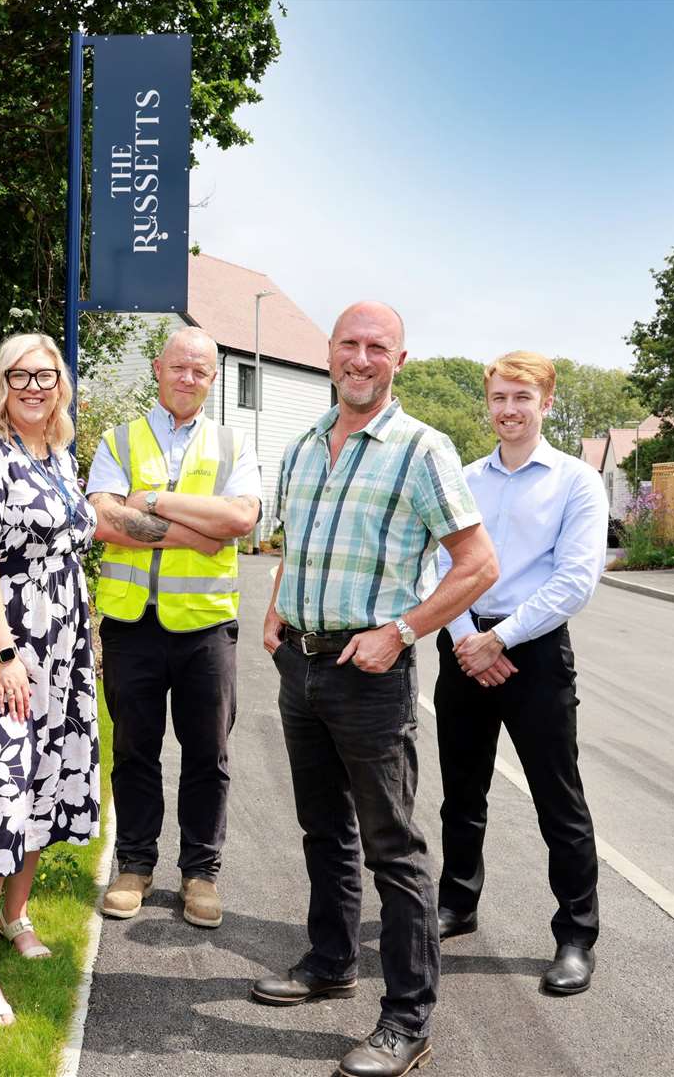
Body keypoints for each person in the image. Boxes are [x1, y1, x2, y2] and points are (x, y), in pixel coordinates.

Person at [251, 301, 498, 1077]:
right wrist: (274, 612)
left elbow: (476, 564)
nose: (360, 359)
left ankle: (406, 1020)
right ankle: (328, 961)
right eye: (349, 345)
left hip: (371, 674)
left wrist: (401, 630)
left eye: (376, 348)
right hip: (302, 664)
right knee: (322, 830)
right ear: (329, 352)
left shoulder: (421, 450)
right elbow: (296, 546)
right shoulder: (298, 447)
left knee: (393, 848)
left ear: (399, 359)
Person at [432, 351, 608, 996]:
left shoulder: (575, 482)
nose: (508, 410)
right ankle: (457, 905)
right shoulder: (464, 479)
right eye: (499, 398)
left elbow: (575, 580)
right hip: (464, 643)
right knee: (462, 793)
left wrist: (499, 638)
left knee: (558, 801)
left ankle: (576, 936)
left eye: (521, 399)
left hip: (533, 653)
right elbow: (435, 562)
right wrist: (463, 638)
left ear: (546, 404)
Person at [0, 333, 100, 1025]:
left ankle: (16, 916)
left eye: (46, 375)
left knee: (40, 778)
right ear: (1, 384)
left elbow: (80, 534)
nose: (34, 387)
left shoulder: (59, 455)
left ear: (61, 384)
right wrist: (6, 656)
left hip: (60, 647)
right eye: (20, 376)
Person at [86, 326, 261, 929]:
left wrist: (153, 502)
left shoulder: (234, 446)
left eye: (202, 372)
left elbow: (240, 520)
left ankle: (200, 875)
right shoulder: (118, 439)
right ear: (158, 369)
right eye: (180, 367)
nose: (189, 379)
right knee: (135, 749)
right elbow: (104, 521)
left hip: (206, 628)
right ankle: (134, 865)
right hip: (133, 624)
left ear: (212, 381)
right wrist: (198, 530)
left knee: (207, 754)